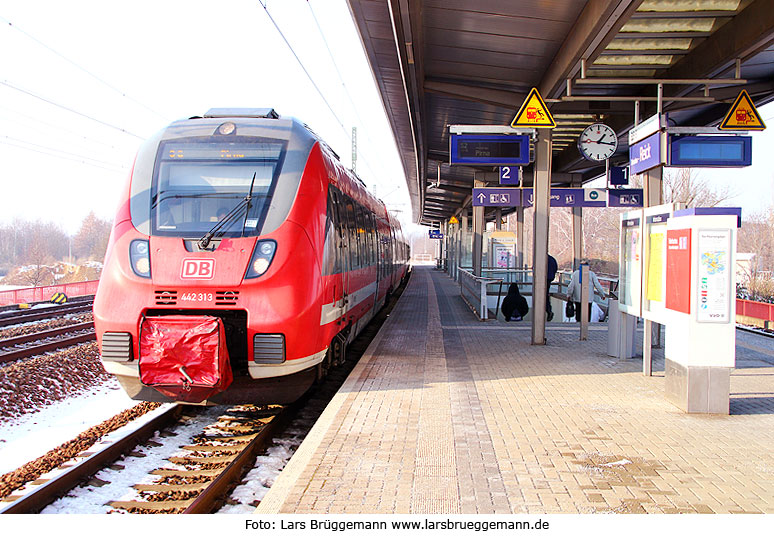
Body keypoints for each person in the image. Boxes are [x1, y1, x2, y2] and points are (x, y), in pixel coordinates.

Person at [546, 254, 558, 321]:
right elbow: (555, 268)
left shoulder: (539, 259)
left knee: (541, 296)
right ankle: (548, 310)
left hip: (542, 279)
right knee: (546, 295)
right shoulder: (552, 259)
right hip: (549, 279)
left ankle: (547, 310)